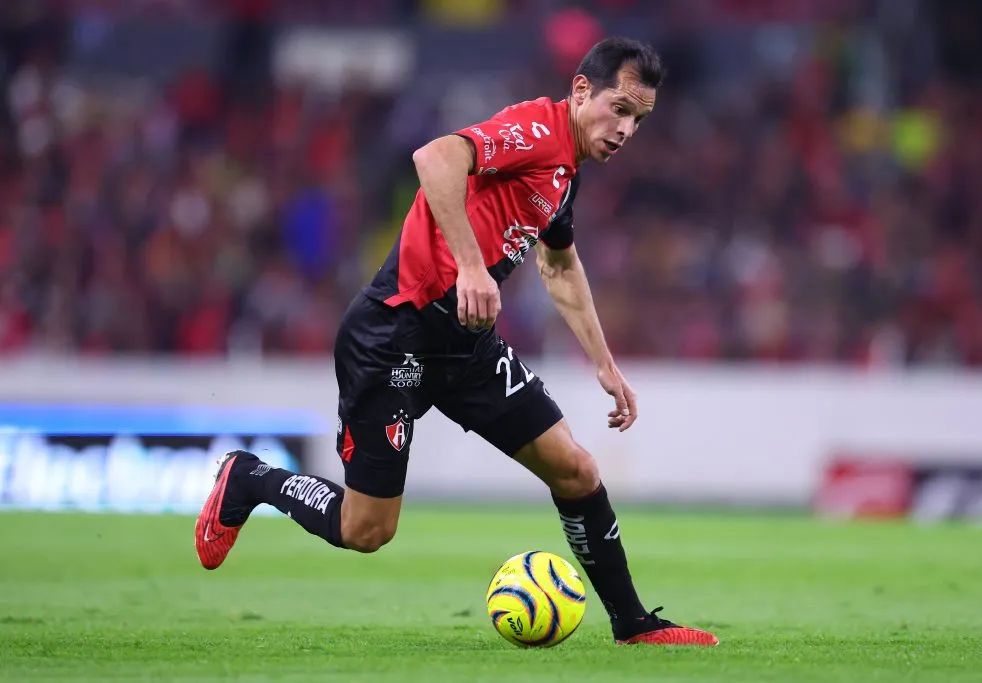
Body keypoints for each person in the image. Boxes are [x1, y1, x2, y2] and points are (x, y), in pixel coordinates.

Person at [195, 36, 718, 647]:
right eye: (620, 109)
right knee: (367, 529)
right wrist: (472, 266)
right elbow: (436, 158)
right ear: (581, 91)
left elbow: (560, 265)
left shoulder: (564, 173)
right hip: (394, 334)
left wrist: (605, 364)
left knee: (575, 470)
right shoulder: (539, 130)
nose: (627, 129)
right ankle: (251, 477)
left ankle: (632, 623)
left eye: (640, 120)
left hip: (465, 345)